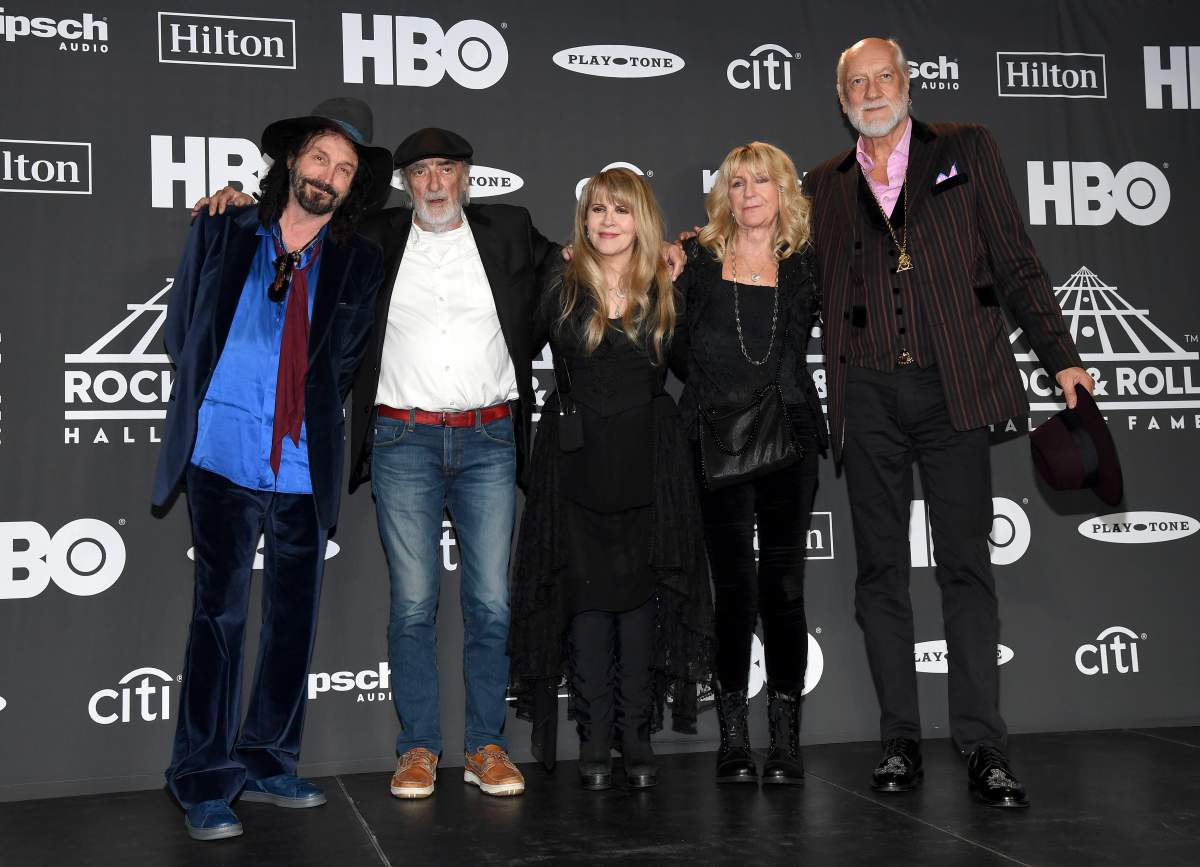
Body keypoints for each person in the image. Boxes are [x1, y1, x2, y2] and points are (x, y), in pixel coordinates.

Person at [203, 128, 686, 801]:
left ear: (468, 178)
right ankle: (418, 749)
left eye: (447, 170)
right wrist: (240, 201)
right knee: (414, 603)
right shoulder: (370, 234)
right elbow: (297, 219)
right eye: (421, 171)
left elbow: (592, 260)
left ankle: (486, 745)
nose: (434, 183)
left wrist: (663, 248)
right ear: (405, 182)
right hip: (404, 440)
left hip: (490, 438)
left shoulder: (512, 228)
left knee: (491, 603)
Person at [803, 37, 1095, 808]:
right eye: (855, 84)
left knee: (965, 567)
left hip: (953, 387)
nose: (871, 92)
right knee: (879, 573)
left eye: (883, 78)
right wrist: (699, 255)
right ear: (841, 101)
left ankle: (984, 745)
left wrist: (1059, 355)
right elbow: (786, 272)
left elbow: (1015, 256)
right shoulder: (823, 185)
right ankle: (899, 738)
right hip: (865, 393)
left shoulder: (967, 148)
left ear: (908, 83)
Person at [151, 97, 390, 840]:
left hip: (301, 462)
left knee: (293, 622)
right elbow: (181, 330)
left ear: (354, 187)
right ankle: (201, 776)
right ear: (292, 161)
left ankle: (266, 757)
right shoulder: (224, 225)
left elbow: (343, 362)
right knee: (218, 617)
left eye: (345, 170)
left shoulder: (358, 259)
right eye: (320, 158)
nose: (328, 175)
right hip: (221, 450)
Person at [507, 168, 714, 791]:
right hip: (575, 465)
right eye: (597, 210)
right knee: (589, 604)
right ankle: (594, 739)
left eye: (620, 211)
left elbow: (691, 365)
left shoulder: (666, 287)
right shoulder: (560, 284)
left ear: (641, 220)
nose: (606, 221)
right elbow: (512, 339)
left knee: (641, 605)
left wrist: (688, 268)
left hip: (650, 464)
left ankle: (636, 737)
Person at [676, 142, 827, 786]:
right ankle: (733, 739)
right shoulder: (699, 264)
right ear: (724, 196)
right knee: (733, 591)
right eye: (737, 184)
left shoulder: (806, 267)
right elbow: (673, 348)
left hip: (790, 437)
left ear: (783, 191)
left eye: (762, 181)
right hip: (716, 438)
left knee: (784, 592)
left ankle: (785, 743)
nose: (749, 194)